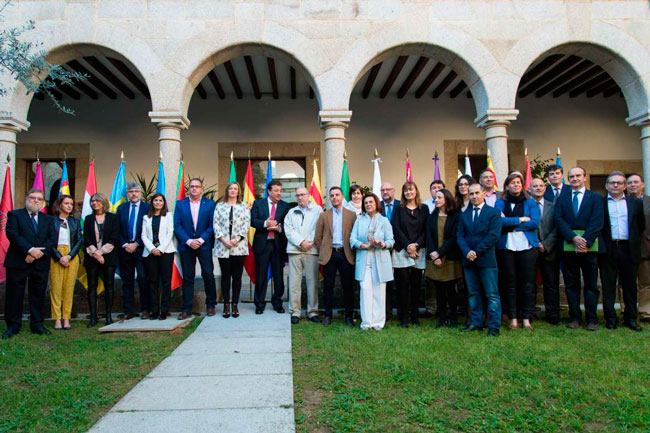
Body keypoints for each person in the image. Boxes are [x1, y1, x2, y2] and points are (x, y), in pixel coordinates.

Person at [3, 188, 57, 339]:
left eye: (39, 199)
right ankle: (13, 326)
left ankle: (37, 324)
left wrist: (36, 254)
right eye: (32, 197)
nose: (36, 200)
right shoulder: (15, 215)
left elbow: (52, 239)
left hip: (39, 263)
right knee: (14, 295)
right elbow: (12, 234)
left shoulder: (48, 219)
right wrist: (29, 250)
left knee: (38, 295)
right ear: (27, 199)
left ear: (43, 202)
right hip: (18, 262)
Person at [554, 166, 604, 331]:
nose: (574, 179)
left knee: (591, 284)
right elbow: (558, 219)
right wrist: (573, 238)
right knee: (571, 284)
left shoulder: (595, 198)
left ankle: (591, 319)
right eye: (571, 176)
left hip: (589, 248)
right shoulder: (562, 198)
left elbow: (597, 221)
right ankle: (574, 317)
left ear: (584, 177)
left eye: (578, 176)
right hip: (568, 247)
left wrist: (585, 241)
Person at [599, 171, 645, 331]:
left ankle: (631, 318)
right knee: (608, 286)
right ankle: (610, 318)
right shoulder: (601, 203)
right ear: (607, 186)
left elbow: (640, 226)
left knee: (630, 285)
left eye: (619, 182)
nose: (616, 185)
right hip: (609, 249)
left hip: (628, 248)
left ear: (625, 186)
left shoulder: (635, 203)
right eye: (612, 182)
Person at [495, 172, 540, 330]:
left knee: (527, 283)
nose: (516, 185)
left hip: (527, 246)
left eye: (518, 182)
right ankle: (513, 318)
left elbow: (534, 223)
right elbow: (498, 222)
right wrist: (520, 219)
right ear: (506, 186)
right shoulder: (500, 203)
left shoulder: (531, 202)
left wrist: (510, 224)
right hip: (506, 246)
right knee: (510, 283)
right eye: (512, 183)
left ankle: (526, 318)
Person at [457, 183, 503, 336]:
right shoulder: (464, 214)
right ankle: (475, 322)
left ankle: (494, 325)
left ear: (483, 193)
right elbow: (460, 236)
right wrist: (467, 252)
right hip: (468, 261)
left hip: (486, 260)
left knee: (491, 293)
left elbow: (493, 236)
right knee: (473, 293)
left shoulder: (493, 213)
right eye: (471, 194)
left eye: (477, 193)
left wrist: (475, 252)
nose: (474, 196)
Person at [174, 178, 217, 320]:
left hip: (204, 245)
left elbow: (212, 225)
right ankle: (186, 308)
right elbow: (177, 225)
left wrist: (200, 240)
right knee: (188, 277)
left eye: (197, 186)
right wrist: (188, 241)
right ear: (189, 189)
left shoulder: (210, 204)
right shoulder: (180, 204)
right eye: (192, 186)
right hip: (186, 246)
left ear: (202, 189)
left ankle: (211, 305)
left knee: (208, 274)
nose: (194, 189)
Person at [350, 193, 394, 330]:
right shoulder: (359, 220)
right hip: (364, 260)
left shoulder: (384, 220)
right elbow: (352, 239)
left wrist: (381, 244)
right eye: (366, 202)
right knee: (365, 290)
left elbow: (391, 241)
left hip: (380, 260)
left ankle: (378, 323)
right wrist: (364, 245)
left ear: (376, 204)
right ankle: (367, 322)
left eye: (371, 202)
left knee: (379, 291)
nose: (368, 204)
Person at [315, 186, 357, 326]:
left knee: (348, 286)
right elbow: (318, 237)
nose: (334, 197)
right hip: (330, 255)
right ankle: (328, 315)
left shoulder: (351, 215)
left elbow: (354, 235)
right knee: (328, 286)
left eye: (337, 195)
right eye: (331, 195)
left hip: (346, 254)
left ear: (342, 196)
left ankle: (349, 315)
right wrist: (325, 249)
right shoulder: (324, 215)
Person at [391, 181, 428, 327]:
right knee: (402, 285)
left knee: (416, 285)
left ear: (416, 191)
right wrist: (408, 246)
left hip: (419, 250)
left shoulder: (424, 208)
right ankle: (404, 317)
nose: (408, 192)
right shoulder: (398, 208)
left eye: (411, 190)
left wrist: (416, 245)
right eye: (406, 190)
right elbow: (396, 228)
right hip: (402, 250)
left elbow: (426, 229)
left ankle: (415, 316)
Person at [284, 187, 322, 324]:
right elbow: (288, 230)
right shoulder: (291, 212)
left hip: (311, 250)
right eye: (298, 195)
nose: (300, 197)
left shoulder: (317, 210)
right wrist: (301, 242)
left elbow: (318, 227)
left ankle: (312, 312)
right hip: (295, 250)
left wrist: (309, 242)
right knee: (294, 283)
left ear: (308, 195)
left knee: (312, 282)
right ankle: (295, 312)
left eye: (302, 195)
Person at [250, 180, 289, 314]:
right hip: (263, 244)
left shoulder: (285, 206)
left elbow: (288, 223)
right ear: (269, 191)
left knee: (279, 275)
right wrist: (266, 223)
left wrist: (279, 228)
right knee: (261, 275)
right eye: (276, 190)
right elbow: (252, 221)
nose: (279, 193)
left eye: (280, 190)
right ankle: (259, 303)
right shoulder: (258, 203)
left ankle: (277, 302)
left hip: (278, 245)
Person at [425, 189, 462, 327]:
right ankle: (442, 318)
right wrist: (434, 256)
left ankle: (453, 318)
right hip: (435, 258)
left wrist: (440, 253)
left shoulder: (455, 216)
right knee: (439, 290)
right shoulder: (431, 216)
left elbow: (453, 238)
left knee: (451, 290)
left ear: (447, 198)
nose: (436, 200)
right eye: (435, 198)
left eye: (439, 197)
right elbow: (428, 236)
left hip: (450, 257)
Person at [213, 182, 250, 319]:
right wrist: (223, 240)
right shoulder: (220, 206)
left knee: (237, 277)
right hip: (223, 246)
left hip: (238, 246)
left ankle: (235, 304)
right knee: (225, 276)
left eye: (235, 189)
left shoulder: (244, 206)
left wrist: (235, 240)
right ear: (227, 191)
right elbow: (215, 224)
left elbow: (246, 224)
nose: (233, 191)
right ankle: (226, 305)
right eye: (230, 189)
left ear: (238, 191)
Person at [84, 193, 120, 327]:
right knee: (92, 287)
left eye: (97, 200)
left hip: (109, 257)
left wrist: (101, 252)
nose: (94, 203)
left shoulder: (113, 218)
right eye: (92, 201)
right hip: (92, 257)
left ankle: (108, 316)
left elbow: (115, 237)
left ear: (103, 202)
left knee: (109, 286)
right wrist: (95, 253)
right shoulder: (88, 219)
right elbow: (86, 237)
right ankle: (93, 317)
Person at [117, 182, 151, 319]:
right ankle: (128, 310)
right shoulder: (121, 208)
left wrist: (136, 243)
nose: (134, 194)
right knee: (127, 281)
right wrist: (125, 244)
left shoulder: (147, 208)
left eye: (136, 191)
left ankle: (145, 309)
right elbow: (117, 229)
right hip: (125, 250)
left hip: (141, 249)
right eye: (131, 191)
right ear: (127, 194)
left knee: (143, 279)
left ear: (141, 193)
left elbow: (150, 231)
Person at [49, 194, 82, 331]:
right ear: (59, 205)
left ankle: (66, 318)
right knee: (56, 288)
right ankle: (57, 319)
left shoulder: (74, 221)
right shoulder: (51, 221)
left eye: (71, 204)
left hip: (71, 256)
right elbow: (48, 240)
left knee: (68, 288)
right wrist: (59, 257)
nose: (69, 206)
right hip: (56, 256)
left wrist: (69, 256)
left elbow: (79, 240)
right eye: (66, 203)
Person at [530, 178, 560, 325]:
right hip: (530, 249)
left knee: (551, 284)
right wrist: (536, 243)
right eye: (535, 186)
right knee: (529, 283)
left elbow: (557, 228)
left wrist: (546, 244)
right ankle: (530, 313)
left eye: (541, 186)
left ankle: (553, 314)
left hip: (549, 251)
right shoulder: (525, 205)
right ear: (529, 189)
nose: (538, 188)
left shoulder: (553, 206)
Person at [142, 193, 176, 320]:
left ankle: (164, 310)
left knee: (166, 281)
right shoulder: (146, 217)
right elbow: (143, 235)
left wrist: (160, 249)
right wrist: (152, 249)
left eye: (160, 201)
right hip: (150, 253)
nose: (158, 202)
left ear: (163, 203)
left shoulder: (168, 216)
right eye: (155, 200)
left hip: (166, 252)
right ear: (152, 202)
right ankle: (154, 311)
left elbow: (170, 233)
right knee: (152, 282)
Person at [627, 173, 650, 323]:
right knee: (625, 282)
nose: (633, 185)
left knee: (645, 281)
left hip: (646, 246)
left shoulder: (649, 202)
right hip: (626, 247)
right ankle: (626, 309)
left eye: (636, 182)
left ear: (643, 184)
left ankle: (645, 311)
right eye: (629, 183)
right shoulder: (621, 201)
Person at [380, 181, 400, 319]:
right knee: (385, 281)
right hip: (382, 249)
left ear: (393, 191)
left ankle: (401, 311)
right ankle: (386, 312)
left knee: (401, 280)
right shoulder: (377, 206)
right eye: (383, 190)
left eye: (388, 189)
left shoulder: (401, 205)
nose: (385, 192)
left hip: (400, 248)